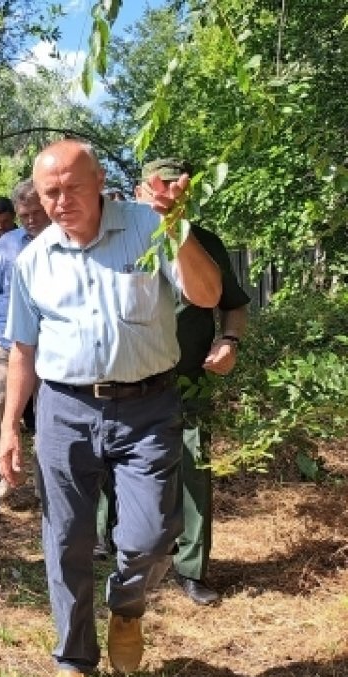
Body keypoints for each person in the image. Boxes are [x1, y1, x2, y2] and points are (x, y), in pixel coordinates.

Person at [0, 139, 222, 677]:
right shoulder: (33, 260)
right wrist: (7, 429)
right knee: (66, 538)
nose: (62, 200)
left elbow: (207, 293)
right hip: (64, 411)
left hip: (148, 406)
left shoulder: (150, 227)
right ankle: (73, 659)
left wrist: (177, 227)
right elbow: (22, 350)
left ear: (99, 180)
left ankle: (127, 607)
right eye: (50, 191)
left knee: (151, 533)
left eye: (73, 185)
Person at [95, 157, 251, 606]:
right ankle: (108, 542)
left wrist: (230, 341)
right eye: (156, 187)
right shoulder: (120, 241)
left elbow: (233, 304)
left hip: (186, 382)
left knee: (192, 469)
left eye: (174, 187)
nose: (165, 195)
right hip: (127, 379)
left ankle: (190, 568)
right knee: (112, 460)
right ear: (141, 191)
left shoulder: (204, 243)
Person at [0, 179, 50, 499]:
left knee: (47, 414)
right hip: (6, 341)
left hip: (51, 347)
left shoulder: (64, 239)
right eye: (25, 214)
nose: (31, 219)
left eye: (37, 212)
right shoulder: (7, 244)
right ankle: (6, 475)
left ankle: (44, 481)